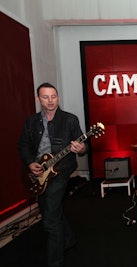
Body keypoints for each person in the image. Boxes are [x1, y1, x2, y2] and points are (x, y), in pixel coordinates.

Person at [18, 82, 88, 267]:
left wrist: (81, 148)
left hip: (61, 172)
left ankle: (55, 261)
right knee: (51, 210)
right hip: (39, 173)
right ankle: (69, 240)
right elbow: (23, 145)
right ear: (38, 99)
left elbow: (83, 147)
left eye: (53, 97)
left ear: (58, 97)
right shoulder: (32, 122)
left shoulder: (70, 120)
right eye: (45, 97)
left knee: (49, 219)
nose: (50, 101)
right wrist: (30, 163)